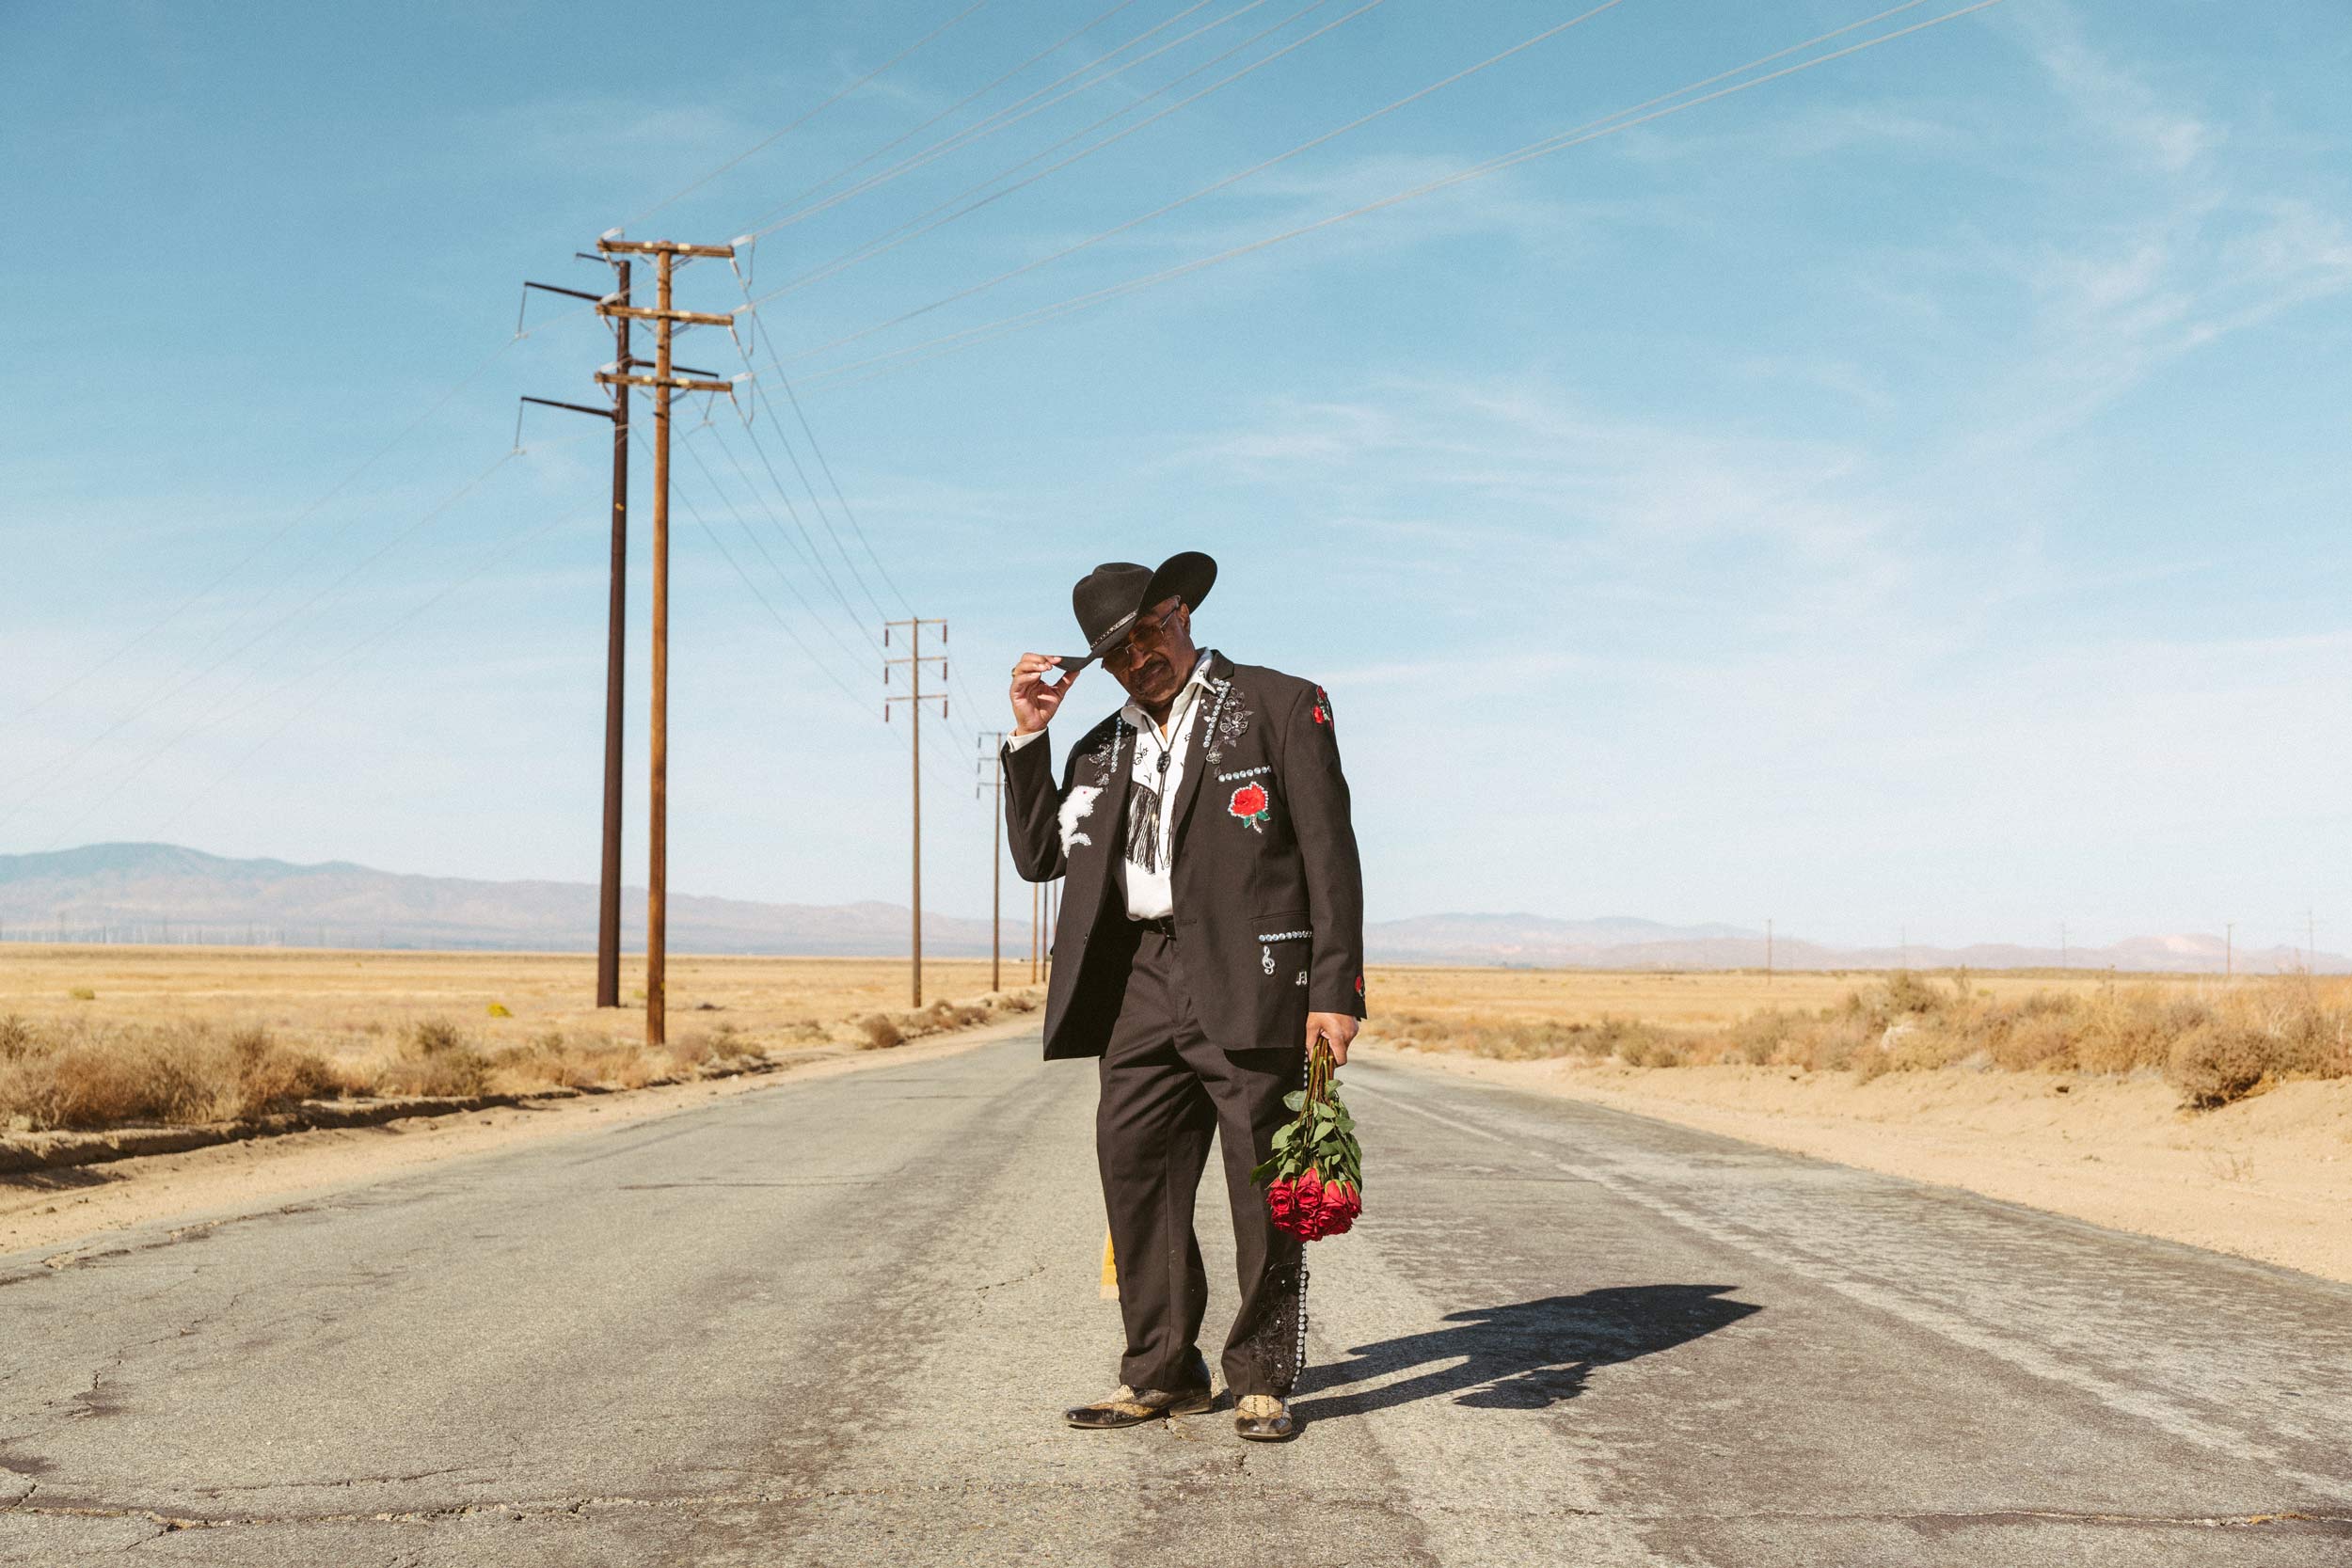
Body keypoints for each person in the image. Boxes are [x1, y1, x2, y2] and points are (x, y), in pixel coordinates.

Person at [1001, 551, 1365, 1444]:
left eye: (1148, 634)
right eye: (1117, 653)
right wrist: (1028, 737)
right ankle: (1163, 1370)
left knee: (1263, 1185)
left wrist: (1337, 988)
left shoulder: (1280, 705)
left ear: (1181, 611)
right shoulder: (1099, 744)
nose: (1139, 659)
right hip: (1139, 982)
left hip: (1253, 978)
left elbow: (1330, 852)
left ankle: (1263, 1376)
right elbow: (1041, 857)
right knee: (1135, 1174)